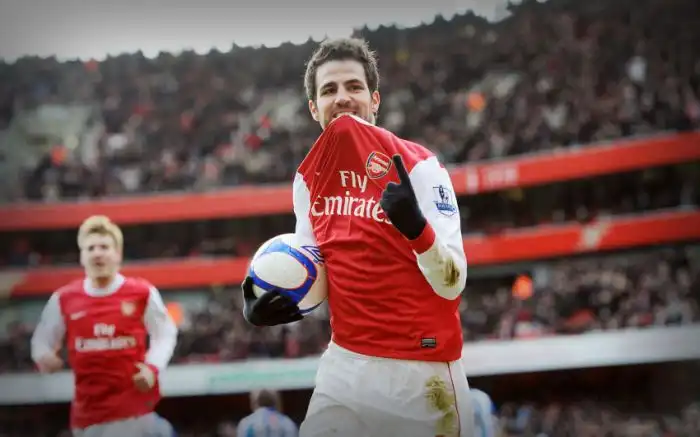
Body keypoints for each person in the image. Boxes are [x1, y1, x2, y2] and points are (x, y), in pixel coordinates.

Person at [242, 38, 473, 437]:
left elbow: (453, 283)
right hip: (345, 369)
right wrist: (268, 302)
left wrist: (417, 230)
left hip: (423, 376)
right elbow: (315, 275)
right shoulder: (307, 179)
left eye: (354, 87)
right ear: (314, 108)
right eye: (329, 90)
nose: (342, 98)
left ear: (374, 99)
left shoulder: (420, 167)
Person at [30, 215, 178, 437]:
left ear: (118, 254)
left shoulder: (141, 293)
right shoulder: (64, 298)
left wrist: (152, 367)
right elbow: (42, 339)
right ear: (82, 257)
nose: (97, 253)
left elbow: (166, 333)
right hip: (87, 416)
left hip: (133, 410)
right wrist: (43, 355)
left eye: (104, 247)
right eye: (90, 248)